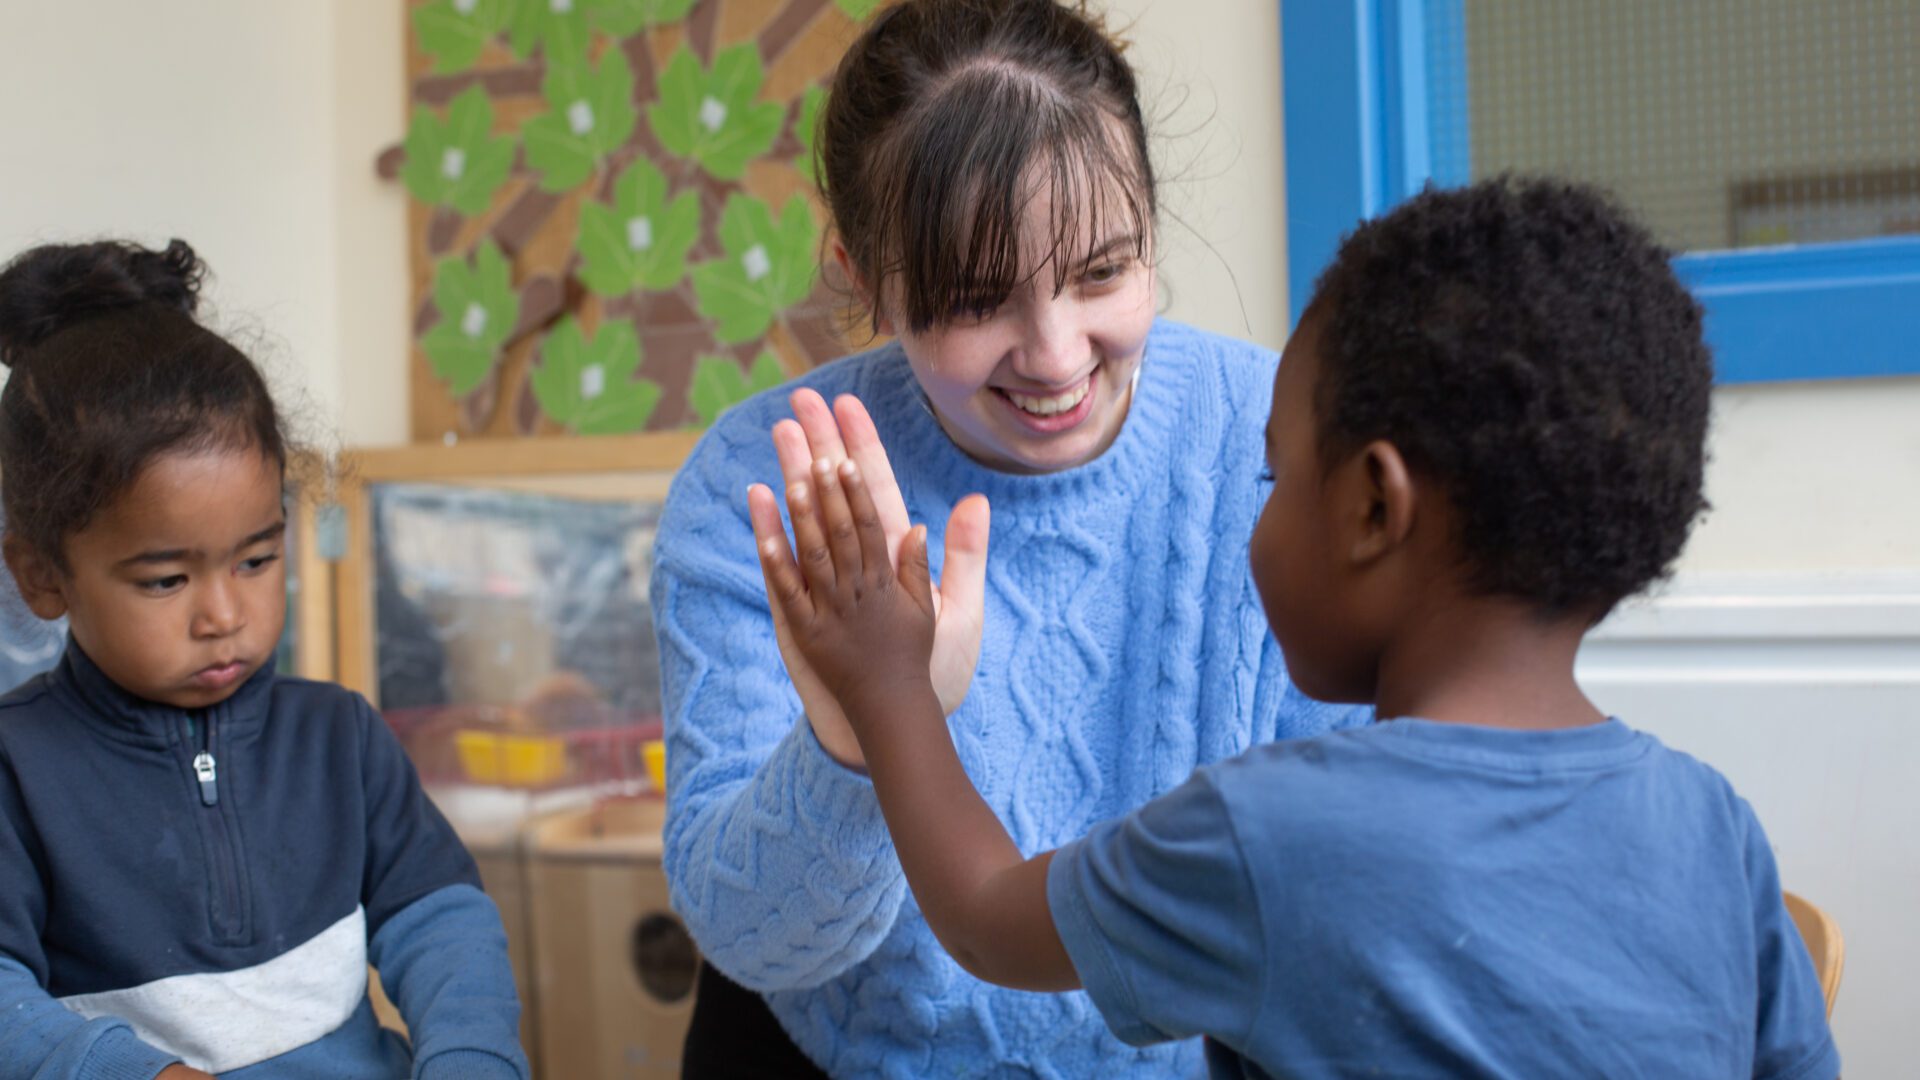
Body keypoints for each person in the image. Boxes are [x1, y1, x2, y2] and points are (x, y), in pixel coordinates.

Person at [753, 177, 1842, 1078]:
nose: (1255, 519)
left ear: (1374, 508)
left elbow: (987, 916)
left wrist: (889, 684)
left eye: (1273, 476)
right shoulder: (1715, 828)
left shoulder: (1270, 834)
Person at [649, 0, 1368, 1073]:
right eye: (977, 300)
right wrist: (857, 740)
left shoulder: (1281, 440)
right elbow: (754, 941)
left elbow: (1363, 868)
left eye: (1102, 272)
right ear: (863, 279)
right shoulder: (767, 483)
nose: (1054, 353)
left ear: (1153, 227)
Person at [0, 239, 529, 1079]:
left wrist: (470, 1054)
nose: (224, 614)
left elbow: (441, 920)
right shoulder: (18, 770)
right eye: (166, 579)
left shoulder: (340, 737)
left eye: (256, 560)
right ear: (40, 575)